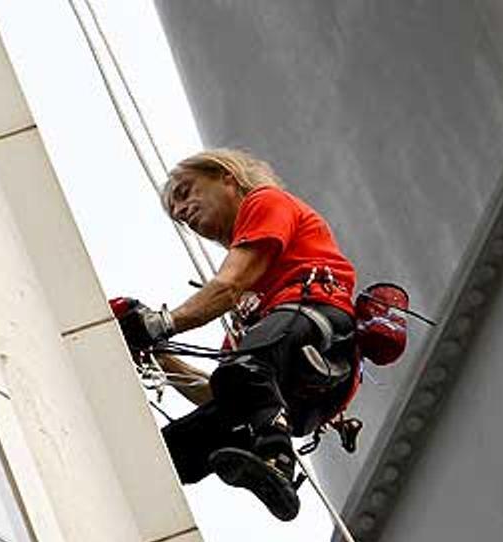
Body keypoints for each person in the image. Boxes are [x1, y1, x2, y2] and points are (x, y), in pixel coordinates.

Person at [115, 148, 359, 521]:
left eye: (185, 193)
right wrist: (161, 356)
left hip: (321, 329)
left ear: (226, 177)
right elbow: (218, 389)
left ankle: (276, 456)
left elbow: (227, 286)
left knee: (247, 367)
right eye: (176, 214)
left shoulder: (265, 203)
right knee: (174, 450)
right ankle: (137, 486)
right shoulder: (253, 313)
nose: (182, 213)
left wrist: (156, 324)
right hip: (298, 390)